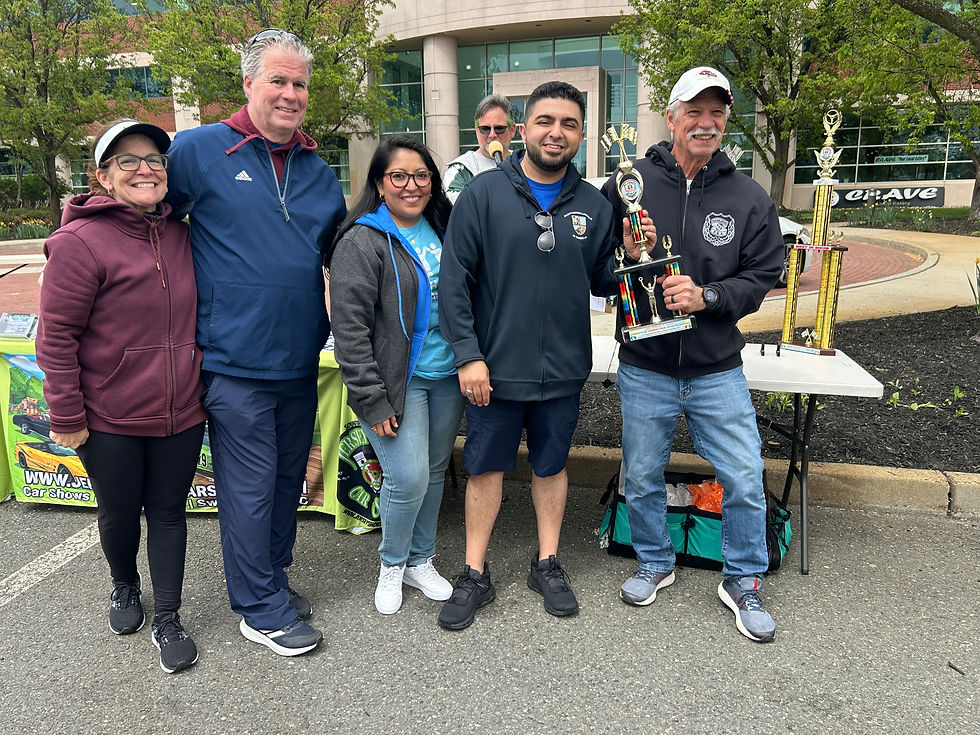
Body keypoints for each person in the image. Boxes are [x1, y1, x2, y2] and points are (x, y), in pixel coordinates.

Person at [437, 81, 655, 630]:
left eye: (569, 124)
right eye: (545, 121)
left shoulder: (593, 203)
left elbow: (604, 281)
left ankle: (548, 561)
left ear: (581, 134)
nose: (556, 132)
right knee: (486, 466)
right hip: (494, 370)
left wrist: (629, 257)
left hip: (561, 370)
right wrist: (468, 356)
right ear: (523, 129)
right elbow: (454, 283)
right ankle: (473, 571)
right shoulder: (483, 196)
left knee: (551, 465)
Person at [165, 29, 346, 656]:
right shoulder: (196, 151)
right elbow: (138, 208)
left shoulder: (320, 173)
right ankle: (258, 607)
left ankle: (271, 578)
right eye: (278, 80)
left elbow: (340, 258)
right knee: (248, 486)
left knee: (285, 483)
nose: (291, 94)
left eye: (299, 84)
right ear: (248, 83)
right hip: (232, 361)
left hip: (298, 359)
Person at [600, 66, 784, 643]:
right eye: (695, 112)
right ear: (672, 116)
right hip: (645, 365)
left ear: (726, 118)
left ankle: (743, 577)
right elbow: (598, 273)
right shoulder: (626, 184)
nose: (707, 124)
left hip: (715, 367)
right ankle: (655, 560)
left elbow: (762, 277)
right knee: (644, 473)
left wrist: (707, 297)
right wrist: (625, 255)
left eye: (718, 112)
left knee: (744, 476)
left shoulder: (749, 197)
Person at [36, 119, 207, 674]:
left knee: (168, 513)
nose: (145, 169)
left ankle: (169, 617)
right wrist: (67, 415)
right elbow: (55, 336)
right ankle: (124, 584)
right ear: (101, 177)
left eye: (155, 159)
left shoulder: (184, 234)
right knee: (118, 513)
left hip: (182, 411)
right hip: (108, 416)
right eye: (127, 160)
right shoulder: (78, 243)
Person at [327, 136, 462, 615]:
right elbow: (349, 330)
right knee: (405, 478)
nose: (411, 185)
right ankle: (392, 563)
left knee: (432, 473)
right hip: (394, 383)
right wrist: (371, 398)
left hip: (447, 376)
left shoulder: (445, 227)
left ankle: (420, 560)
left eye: (421, 175)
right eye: (398, 176)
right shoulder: (362, 239)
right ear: (380, 185)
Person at [443, 94, 517, 203]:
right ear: (477, 131)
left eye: (499, 128)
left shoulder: (525, 163)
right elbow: (462, 209)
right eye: (485, 129)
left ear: (512, 130)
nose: (492, 135)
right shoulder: (460, 169)